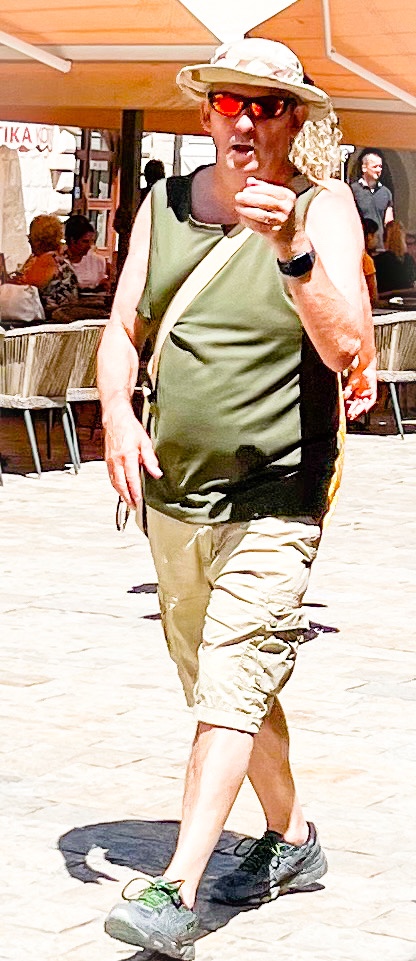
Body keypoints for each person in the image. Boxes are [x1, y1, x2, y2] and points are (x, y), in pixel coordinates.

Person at [98, 37, 377, 960]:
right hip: (174, 495)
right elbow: (123, 330)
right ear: (206, 113)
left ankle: (175, 889)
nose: (245, 122)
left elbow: (347, 347)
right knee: (229, 685)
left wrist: (291, 249)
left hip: (277, 495)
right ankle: (291, 838)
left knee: (231, 682)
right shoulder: (166, 205)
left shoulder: (323, 208)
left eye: (267, 106)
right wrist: (116, 414)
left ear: (295, 120)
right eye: (230, 104)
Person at [13, 214, 78, 319]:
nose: (28, 239)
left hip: (47, 319)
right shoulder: (62, 262)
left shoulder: (45, 261)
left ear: (37, 239)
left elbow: (26, 290)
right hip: (66, 317)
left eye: (30, 235)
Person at [350, 150, 393, 251]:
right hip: (359, 248)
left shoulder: (386, 193)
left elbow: (389, 222)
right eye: (375, 166)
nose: (378, 170)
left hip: (380, 249)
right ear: (364, 168)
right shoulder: (352, 191)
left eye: (380, 166)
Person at [65, 214, 108, 291]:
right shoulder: (59, 261)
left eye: (92, 241)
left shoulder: (98, 261)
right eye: (85, 241)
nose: (89, 246)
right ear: (72, 240)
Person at [375, 220, 416, 294]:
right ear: (403, 238)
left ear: (385, 239)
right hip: (407, 298)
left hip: (385, 299)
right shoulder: (409, 259)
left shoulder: (378, 260)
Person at [361, 217, 379, 307]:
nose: (378, 240)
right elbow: (373, 298)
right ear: (369, 236)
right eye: (377, 236)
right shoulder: (366, 260)